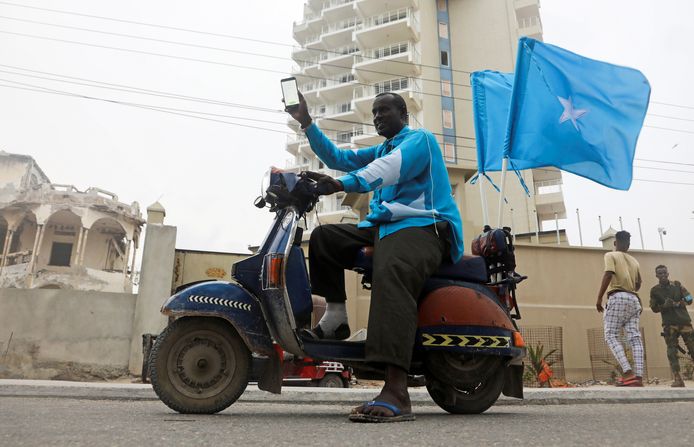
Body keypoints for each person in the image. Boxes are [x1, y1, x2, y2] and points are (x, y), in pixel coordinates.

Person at [285, 91, 463, 422]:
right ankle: (336, 318)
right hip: (385, 227)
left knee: (391, 269)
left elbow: (388, 169)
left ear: (404, 115)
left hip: (424, 225)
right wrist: (307, 123)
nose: (378, 117)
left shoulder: (418, 141)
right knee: (325, 237)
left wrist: (339, 185)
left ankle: (397, 390)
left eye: (385, 111)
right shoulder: (382, 148)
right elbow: (338, 157)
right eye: (375, 113)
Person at [595, 230, 644, 387]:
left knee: (611, 335)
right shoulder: (635, 262)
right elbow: (638, 284)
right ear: (628, 245)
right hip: (634, 299)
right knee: (635, 338)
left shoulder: (610, 255)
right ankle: (639, 377)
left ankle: (628, 373)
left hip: (617, 297)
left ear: (615, 243)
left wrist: (599, 297)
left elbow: (608, 274)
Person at [649, 265, 694, 387]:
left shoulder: (677, 285)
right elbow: (653, 308)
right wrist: (664, 306)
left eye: (664, 273)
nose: (662, 275)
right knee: (671, 352)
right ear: (656, 275)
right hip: (669, 325)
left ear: (668, 273)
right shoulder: (655, 290)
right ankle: (678, 378)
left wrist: (680, 303)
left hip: (685, 323)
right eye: (660, 273)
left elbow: (690, 299)